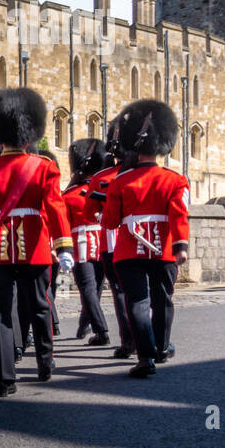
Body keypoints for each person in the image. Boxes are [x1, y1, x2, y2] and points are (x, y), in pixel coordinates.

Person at [0, 88, 74, 396]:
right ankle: (45, 361)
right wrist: (63, 245)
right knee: (39, 305)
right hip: (36, 246)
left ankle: (4, 378)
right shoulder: (44, 167)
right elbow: (55, 208)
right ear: (29, 133)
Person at [104, 100, 190, 378]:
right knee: (163, 300)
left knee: (138, 302)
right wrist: (181, 246)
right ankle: (162, 348)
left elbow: (109, 222)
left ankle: (145, 358)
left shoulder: (120, 181)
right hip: (164, 250)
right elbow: (180, 216)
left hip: (130, 251)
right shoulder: (175, 180)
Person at [92, 121, 137, 359]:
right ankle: (147, 338)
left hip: (111, 241)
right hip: (142, 239)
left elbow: (92, 211)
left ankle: (129, 341)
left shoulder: (101, 178)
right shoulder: (146, 174)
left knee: (120, 291)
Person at [64, 138, 110, 346]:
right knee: (96, 288)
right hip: (102, 242)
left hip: (81, 244)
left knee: (88, 289)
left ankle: (101, 330)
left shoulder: (70, 195)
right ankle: (85, 324)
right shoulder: (103, 188)